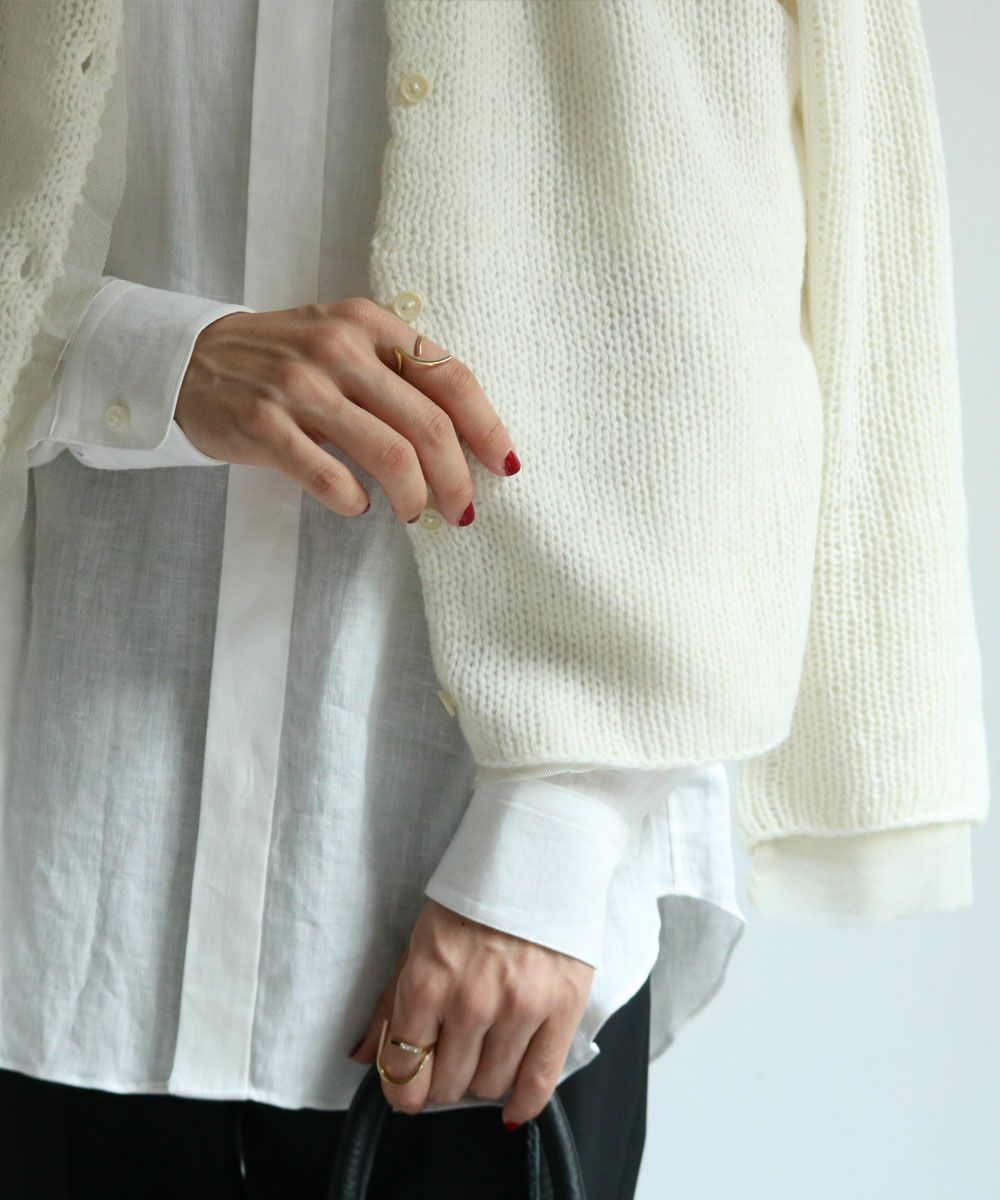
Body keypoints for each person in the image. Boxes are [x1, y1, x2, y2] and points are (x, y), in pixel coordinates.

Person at [0, 1, 988, 1197]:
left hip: (475, 855)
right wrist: (141, 356)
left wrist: (559, 830)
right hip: (59, 851)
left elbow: (742, 248)